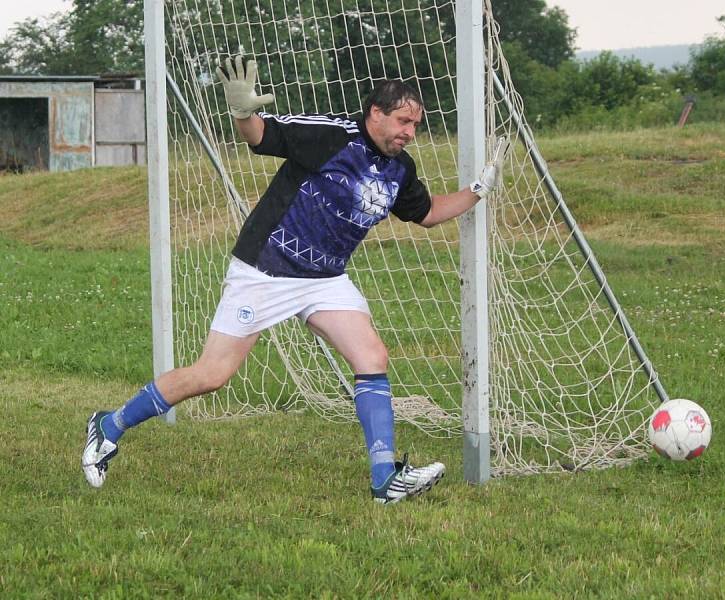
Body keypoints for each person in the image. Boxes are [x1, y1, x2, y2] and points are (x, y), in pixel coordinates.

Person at [82, 56, 507, 504]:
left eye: (415, 125)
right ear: (375, 114)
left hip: (324, 280)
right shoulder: (330, 136)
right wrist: (243, 111)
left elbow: (427, 214)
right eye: (402, 121)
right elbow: (261, 137)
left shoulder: (400, 170)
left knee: (371, 355)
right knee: (212, 375)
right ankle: (108, 427)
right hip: (265, 271)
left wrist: (478, 191)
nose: (408, 132)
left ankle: (385, 479)